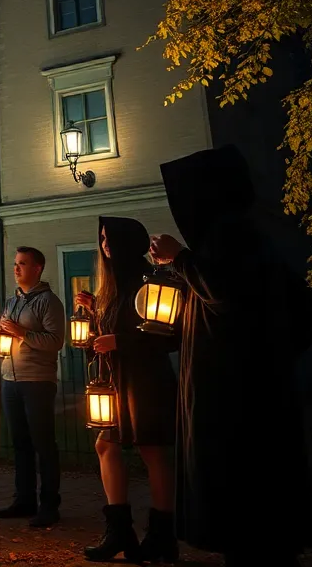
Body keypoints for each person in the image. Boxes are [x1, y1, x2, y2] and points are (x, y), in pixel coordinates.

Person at [150, 146, 312, 567]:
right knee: (247, 526)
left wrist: (181, 258)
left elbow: (227, 294)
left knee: (247, 514)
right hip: (240, 394)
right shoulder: (234, 236)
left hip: (239, 403)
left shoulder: (234, 234)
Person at [77, 217, 179, 563]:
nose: (105, 244)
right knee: (105, 444)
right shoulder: (112, 288)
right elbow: (108, 330)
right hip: (115, 382)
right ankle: (119, 530)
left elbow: (167, 337)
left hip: (146, 380)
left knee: (153, 451)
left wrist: (117, 340)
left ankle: (163, 535)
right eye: (101, 238)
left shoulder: (150, 281)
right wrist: (96, 330)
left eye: (110, 238)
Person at [0, 246, 65, 528]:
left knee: (43, 443)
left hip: (37, 380)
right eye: (15, 263)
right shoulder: (12, 302)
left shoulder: (49, 302)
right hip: (10, 378)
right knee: (20, 444)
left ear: (37, 268)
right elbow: (4, 334)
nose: (16, 268)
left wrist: (22, 332)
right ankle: (24, 499)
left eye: (22, 263)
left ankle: (50, 505)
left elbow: (56, 341)